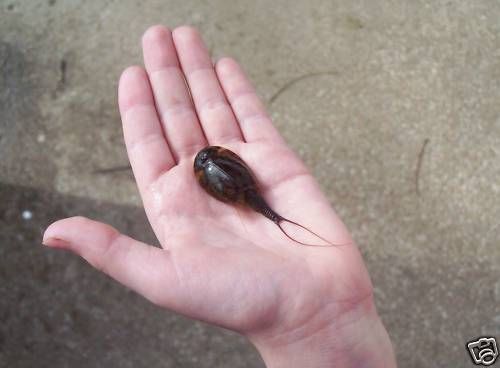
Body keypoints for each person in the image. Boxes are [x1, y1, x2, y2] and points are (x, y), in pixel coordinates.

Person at [43, 25, 397, 367]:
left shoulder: (226, 179)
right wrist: (311, 329)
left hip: (234, 185)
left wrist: (312, 328)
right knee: (263, 208)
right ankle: (275, 219)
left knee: (263, 208)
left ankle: (274, 218)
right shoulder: (226, 172)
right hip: (234, 183)